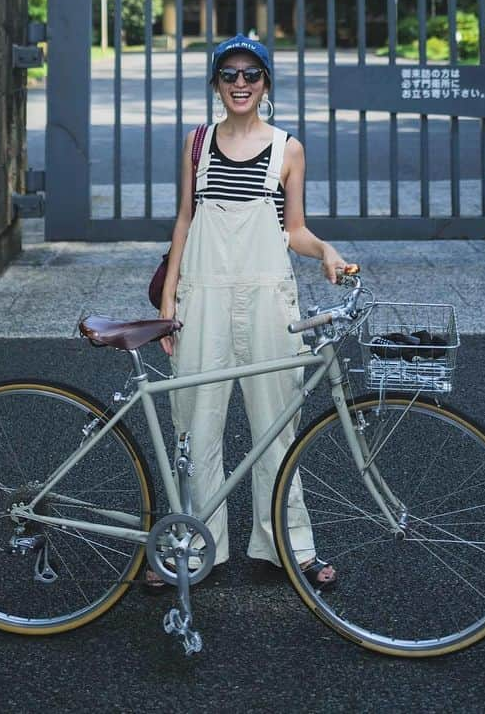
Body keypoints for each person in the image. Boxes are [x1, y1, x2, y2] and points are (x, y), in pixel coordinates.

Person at [151, 33, 350, 591]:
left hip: (268, 297)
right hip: (204, 294)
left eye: (252, 74)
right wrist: (170, 296)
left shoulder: (288, 148)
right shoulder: (197, 143)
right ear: (216, 83)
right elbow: (185, 221)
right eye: (230, 74)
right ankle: (194, 546)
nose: (241, 83)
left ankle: (287, 544)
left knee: (277, 426)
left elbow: (295, 231)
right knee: (195, 423)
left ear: (266, 83)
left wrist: (326, 252)